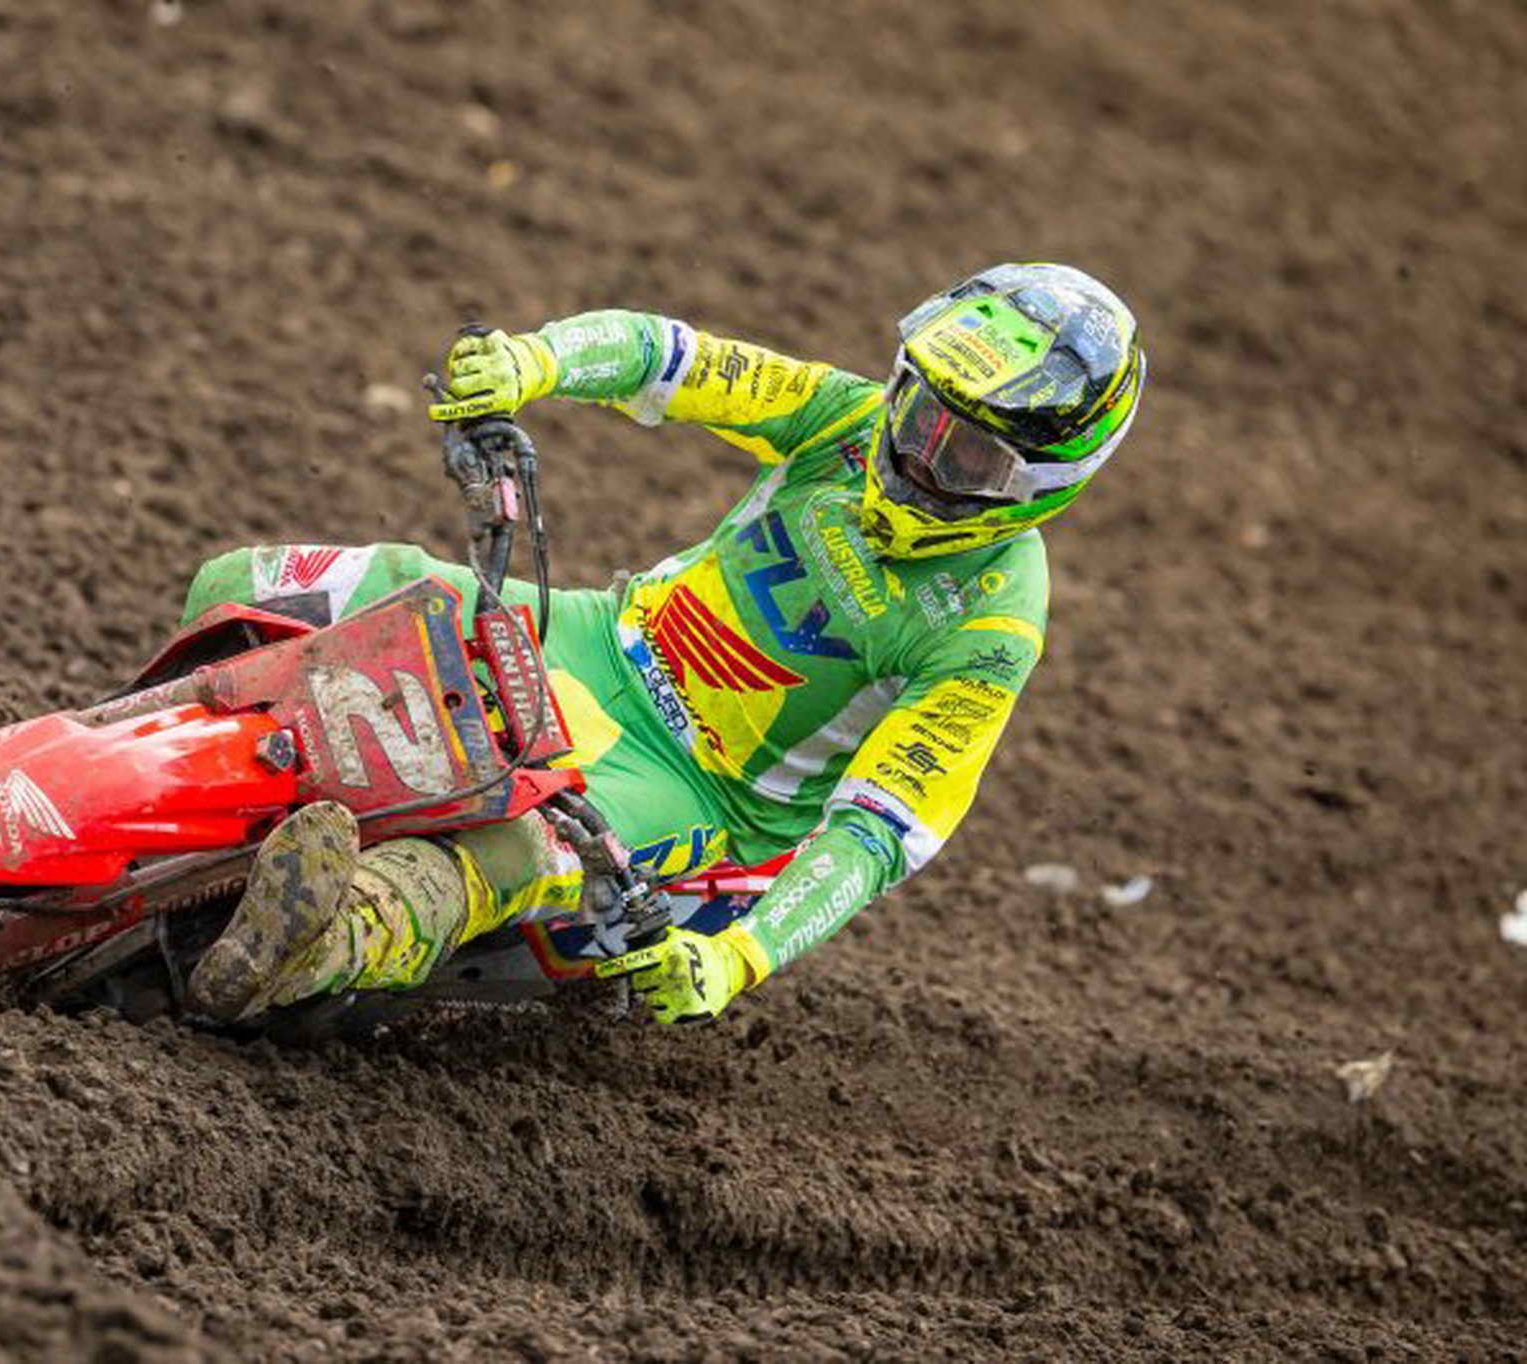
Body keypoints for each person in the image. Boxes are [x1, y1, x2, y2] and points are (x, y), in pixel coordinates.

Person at [180, 262, 1145, 1026]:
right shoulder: (847, 419)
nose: (920, 452)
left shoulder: (992, 623)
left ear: (1042, 480)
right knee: (253, 583)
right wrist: (533, 362)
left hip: (697, 787)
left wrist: (738, 961)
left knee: (509, 846)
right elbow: (670, 357)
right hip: (594, 635)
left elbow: (878, 833)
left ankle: (311, 948)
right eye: (921, 409)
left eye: (967, 451)